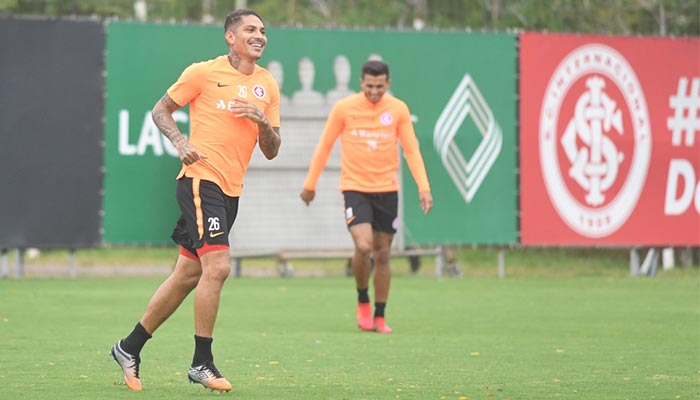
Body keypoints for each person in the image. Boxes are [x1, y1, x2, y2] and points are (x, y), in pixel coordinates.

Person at [110, 8, 281, 392]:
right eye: (250, 29)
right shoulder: (203, 72)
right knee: (217, 268)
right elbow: (161, 110)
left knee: (188, 274)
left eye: (263, 31)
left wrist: (263, 122)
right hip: (202, 182)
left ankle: (128, 347)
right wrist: (181, 142)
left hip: (231, 191)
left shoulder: (267, 85)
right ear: (230, 37)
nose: (259, 35)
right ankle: (201, 362)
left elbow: (271, 149)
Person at [300, 60, 432, 334]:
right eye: (369, 86)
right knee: (363, 247)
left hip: (387, 190)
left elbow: (411, 150)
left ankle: (380, 316)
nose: (374, 91)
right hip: (355, 188)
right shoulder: (344, 108)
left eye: (380, 87)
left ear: (388, 84)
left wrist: (423, 186)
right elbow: (325, 146)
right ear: (361, 83)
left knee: (382, 254)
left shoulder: (398, 109)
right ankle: (362, 299)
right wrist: (310, 183)